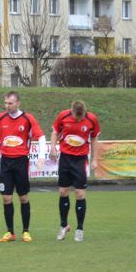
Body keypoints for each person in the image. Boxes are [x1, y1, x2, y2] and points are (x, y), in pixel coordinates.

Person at [0, 91, 45, 243]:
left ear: (18, 103)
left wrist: (41, 157)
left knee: (23, 197)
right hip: (5, 162)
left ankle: (26, 231)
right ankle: (10, 232)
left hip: (21, 162)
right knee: (6, 198)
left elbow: (41, 137)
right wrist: (0, 149)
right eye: (6, 103)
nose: (7, 106)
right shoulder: (0, 118)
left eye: (10, 103)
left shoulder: (28, 118)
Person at [49, 100, 101, 242]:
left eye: (81, 118)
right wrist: (53, 148)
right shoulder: (63, 116)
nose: (78, 120)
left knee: (79, 193)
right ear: (71, 111)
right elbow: (55, 132)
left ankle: (79, 229)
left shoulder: (92, 119)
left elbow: (95, 139)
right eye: (76, 117)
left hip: (80, 159)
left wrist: (95, 159)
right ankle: (64, 225)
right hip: (65, 158)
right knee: (63, 191)